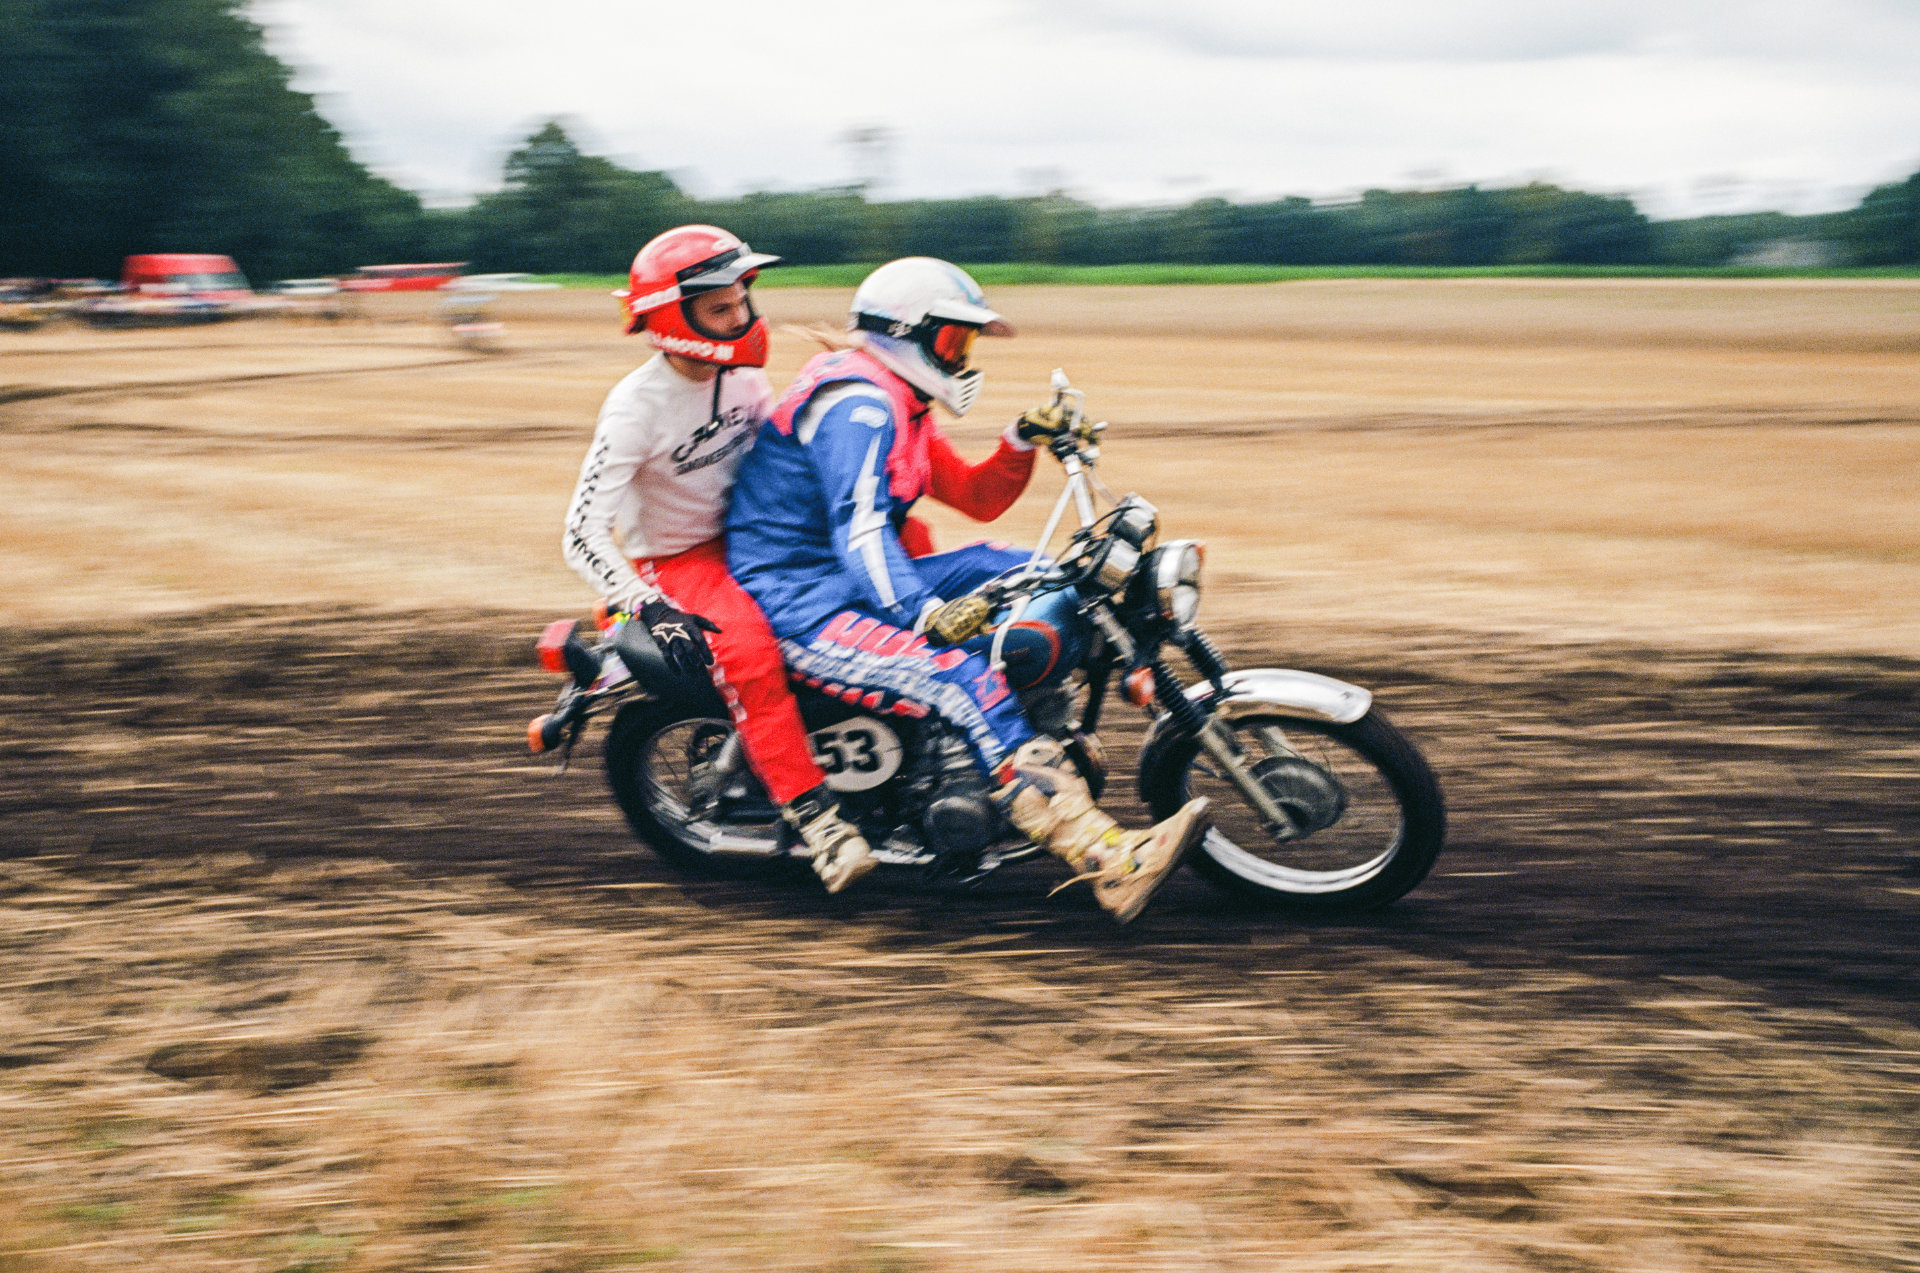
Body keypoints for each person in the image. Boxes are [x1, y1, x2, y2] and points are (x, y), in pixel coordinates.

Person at [727, 257, 1209, 923]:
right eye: (954, 341)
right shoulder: (859, 406)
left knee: (1039, 571)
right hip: (803, 600)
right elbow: (861, 530)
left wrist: (1020, 439)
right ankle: (1105, 860)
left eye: (966, 344)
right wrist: (927, 613)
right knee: (957, 676)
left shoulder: (902, 400)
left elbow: (976, 498)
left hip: (854, 578)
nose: (961, 358)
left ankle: (1038, 724)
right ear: (905, 334)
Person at [562, 224, 873, 893]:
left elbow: (785, 445)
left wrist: (845, 375)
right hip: (678, 562)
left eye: (742, 302)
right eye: (721, 309)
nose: (742, 318)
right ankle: (818, 820)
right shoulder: (633, 409)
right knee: (751, 653)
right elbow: (581, 532)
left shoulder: (743, 376)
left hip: (755, 535)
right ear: (675, 318)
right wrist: (647, 603)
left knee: (887, 562)